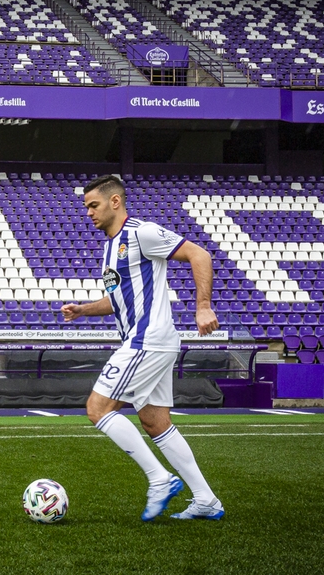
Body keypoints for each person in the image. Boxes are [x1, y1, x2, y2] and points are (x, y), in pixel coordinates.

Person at [61, 174, 225, 522]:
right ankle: (206, 500)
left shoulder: (141, 232)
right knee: (154, 420)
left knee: (97, 408)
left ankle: (159, 479)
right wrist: (83, 309)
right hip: (147, 340)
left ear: (115, 202)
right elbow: (117, 300)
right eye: (86, 206)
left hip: (147, 339)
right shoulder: (109, 249)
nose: (88, 212)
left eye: (94, 205)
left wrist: (203, 306)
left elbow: (200, 254)